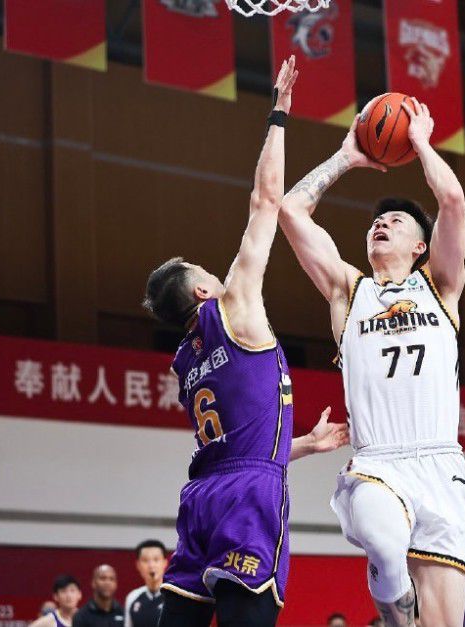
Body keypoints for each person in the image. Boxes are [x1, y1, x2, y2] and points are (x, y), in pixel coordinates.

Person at [142, 58, 348, 627]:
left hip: (200, 496)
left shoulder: (184, 359)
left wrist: (302, 442)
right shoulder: (232, 305)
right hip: (248, 496)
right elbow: (266, 201)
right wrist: (278, 112)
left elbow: (240, 440)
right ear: (205, 288)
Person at [279, 97, 465, 627]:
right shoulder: (349, 290)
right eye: (376, 221)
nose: (380, 224)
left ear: (420, 246)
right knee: (387, 551)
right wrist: (346, 157)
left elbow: (452, 200)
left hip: (440, 466)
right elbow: (290, 210)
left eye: (395, 221)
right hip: (377, 462)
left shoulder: (442, 287)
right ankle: (394, 612)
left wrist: (421, 143)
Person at [125, 540, 169, 627]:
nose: (151, 565)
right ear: (138, 565)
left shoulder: (174, 596)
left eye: (156, 559)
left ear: (165, 563)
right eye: (145, 560)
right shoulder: (132, 597)